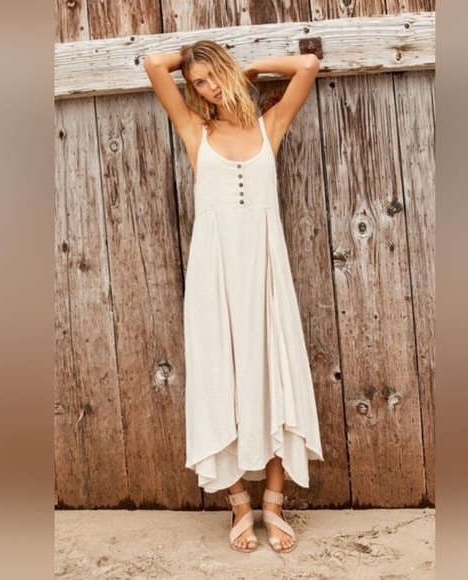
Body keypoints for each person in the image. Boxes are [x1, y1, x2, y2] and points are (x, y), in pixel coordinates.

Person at [143, 40, 323, 554]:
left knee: (273, 376)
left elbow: (308, 65)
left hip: (264, 270)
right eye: (198, 83)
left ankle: (274, 504)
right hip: (214, 273)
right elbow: (154, 64)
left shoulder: (270, 126)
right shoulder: (194, 130)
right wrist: (189, 57)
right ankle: (240, 504)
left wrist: (251, 67)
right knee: (218, 378)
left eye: (213, 76)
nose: (208, 88)